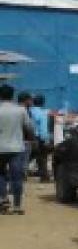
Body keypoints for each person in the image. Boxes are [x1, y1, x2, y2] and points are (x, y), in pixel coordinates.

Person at [0, 85, 35, 214]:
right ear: (12, 95)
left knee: (1, 175)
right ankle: (17, 206)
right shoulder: (21, 110)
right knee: (17, 177)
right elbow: (29, 127)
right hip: (16, 148)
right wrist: (31, 138)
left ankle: (3, 198)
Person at [29, 94, 50, 182]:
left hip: (27, 137)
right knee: (42, 158)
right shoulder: (42, 113)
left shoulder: (29, 111)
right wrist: (46, 140)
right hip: (38, 139)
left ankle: (19, 175)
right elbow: (43, 129)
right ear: (43, 103)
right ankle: (44, 177)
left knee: (27, 157)